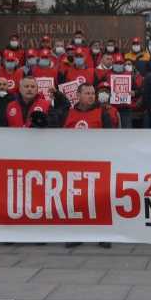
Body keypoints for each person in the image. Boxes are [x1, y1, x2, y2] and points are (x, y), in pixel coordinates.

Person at [55, 82, 116, 249]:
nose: (91, 96)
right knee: (75, 201)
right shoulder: (67, 113)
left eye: (92, 93)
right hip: (74, 164)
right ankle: (76, 234)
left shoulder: (102, 114)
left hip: (97, 164)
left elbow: (111, 137)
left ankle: (103, 235)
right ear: (78, 95)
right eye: (87, 93)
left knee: (100, 200)